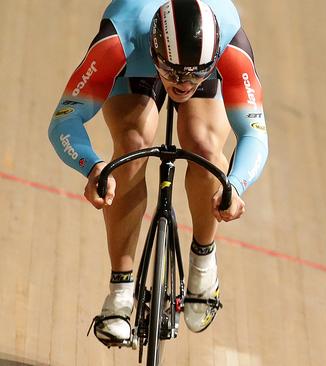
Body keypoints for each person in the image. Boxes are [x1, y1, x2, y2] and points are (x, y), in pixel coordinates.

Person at [48, 0, 268, 346]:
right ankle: (120, 294)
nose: (181, 85)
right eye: (172, 73)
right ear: (155, 49)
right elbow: (64, 120)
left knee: (204, 145)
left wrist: (236, 186)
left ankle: (203, 261)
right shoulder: (119, 40)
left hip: (187, 58)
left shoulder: (229, 45)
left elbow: (255, 133)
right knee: (132, 145)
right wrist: (93, 166)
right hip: (138, 61)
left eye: (192, 75)